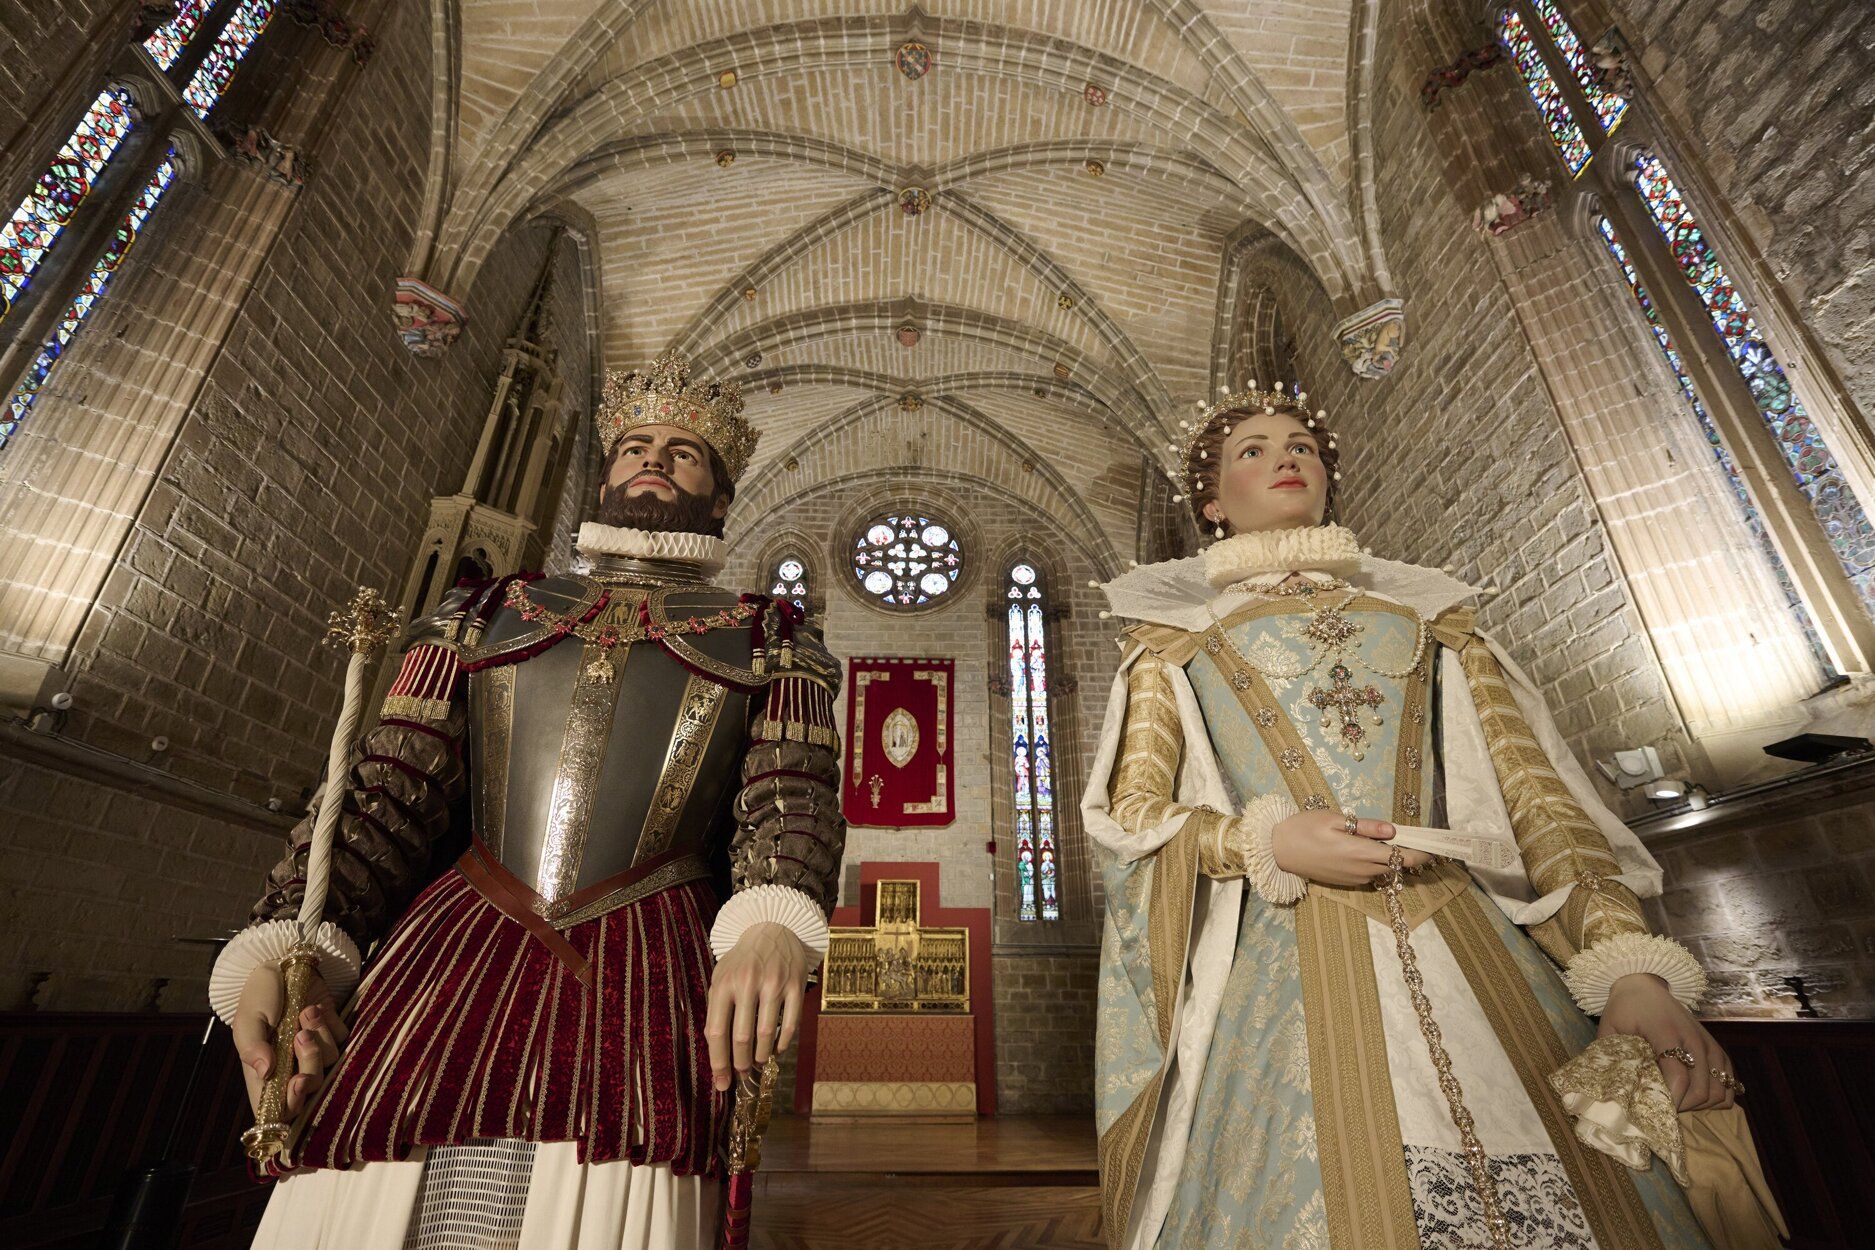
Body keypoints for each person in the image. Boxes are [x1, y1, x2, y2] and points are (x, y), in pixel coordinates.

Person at [1084, 383, 1760, 1249]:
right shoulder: (1173, 642)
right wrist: (1266, 838)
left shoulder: (1434, 624)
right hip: (1282, 952)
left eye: (1299, 442)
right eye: (1250, 449)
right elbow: (1131, 816)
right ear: (1212, 503)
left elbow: (1537, 801)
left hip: (1468, 935)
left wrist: (1629, 970)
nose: (1285, 455)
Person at [208, 350, 845, 1249]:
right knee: (370, 1178)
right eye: (634, 446)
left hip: (646, 953)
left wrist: (773, 918)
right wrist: (288, 943)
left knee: (611, 1190)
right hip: (456, 940)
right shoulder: (481, 612)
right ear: (606, 474)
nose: (655, 459)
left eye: (684, 452)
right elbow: (388, 791)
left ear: (720, 499)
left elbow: (793, 798)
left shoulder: (770, 639)